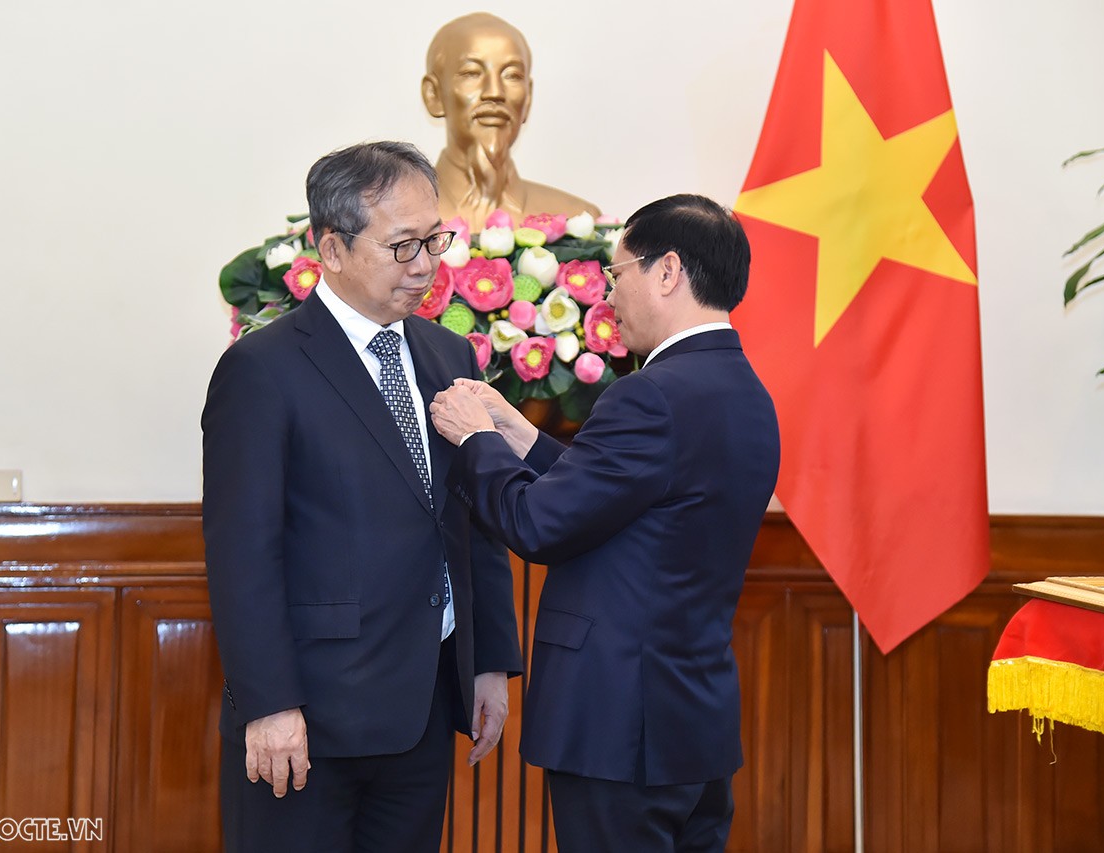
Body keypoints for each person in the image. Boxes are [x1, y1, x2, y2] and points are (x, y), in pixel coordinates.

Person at [429, 194, 780, 852]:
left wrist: (476, 439)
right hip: (691, 727)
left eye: (617, 276)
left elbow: (538, 525)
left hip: (621, 729)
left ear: (668, 271)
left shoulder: (650, 392)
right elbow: (632, 496)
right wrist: (516, 432)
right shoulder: (747, 394)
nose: (610, 301)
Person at [202, 140, 522, 853]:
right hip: (310, 718)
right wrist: (272, 704)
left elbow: (471, 519)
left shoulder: (447, 354)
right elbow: (242, 554)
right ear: (332, 248)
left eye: (433, 240)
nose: (425, 265)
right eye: (402, 245)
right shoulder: (262, 369)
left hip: (423, 707)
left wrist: (488, 659)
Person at [421, 12, 601, 231]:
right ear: (434, 95)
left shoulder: (577, 223)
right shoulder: (400, 222)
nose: (494, 92)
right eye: (472, 73)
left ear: (528, 97)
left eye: (512, 75)